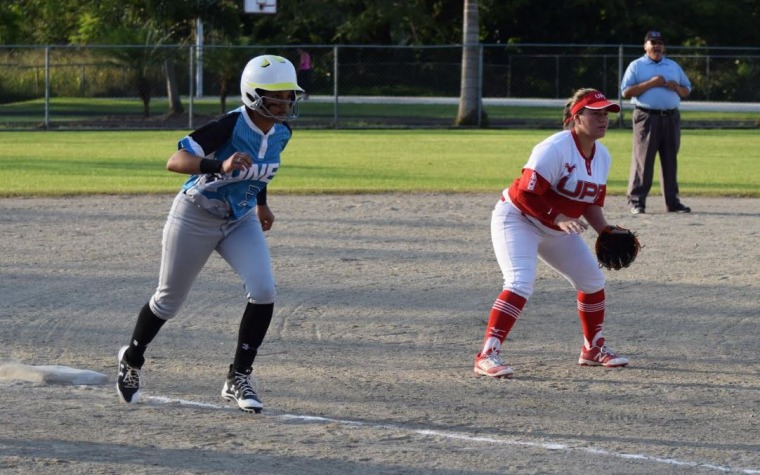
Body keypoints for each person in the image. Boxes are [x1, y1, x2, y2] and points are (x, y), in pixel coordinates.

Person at [116, 54, 304, 413]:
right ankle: (132, 358)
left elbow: (258, 171)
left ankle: (238, 376)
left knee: (264, 291)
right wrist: (220, 164)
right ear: (254, 94)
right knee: (168, 300)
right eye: (278, 95)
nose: (286, 102)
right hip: (195, 215)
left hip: (240, 219)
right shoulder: (230, 125)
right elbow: (176, 161)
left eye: (289, 95)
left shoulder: (282, 131)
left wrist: (261, 204)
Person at [474, 88, 630, 379]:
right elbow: (524, 195)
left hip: (558, 226)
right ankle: (488, 353)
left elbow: (590, 202)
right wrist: (558, 218)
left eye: (606, 113)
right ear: (576, 117)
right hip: (517, 219)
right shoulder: (554, 148)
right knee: (520, 281)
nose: (603, 118)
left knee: (592, 280)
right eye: (595, 113)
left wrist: (604, 231)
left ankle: (592, 348)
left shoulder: (603, 157)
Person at [621, 31, 692, 214]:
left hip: (671, 117)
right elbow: (626, 92)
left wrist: (675, 87)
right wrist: (651, 83)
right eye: (653, 42)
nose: (657, 46)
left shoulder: (673, 66)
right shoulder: (636, 66)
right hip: (646, 117)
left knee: (670, 160)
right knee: (643, 160)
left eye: (660, 42)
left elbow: (686, 91)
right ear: (645, 46)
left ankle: (672, 202)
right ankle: (636, 201)